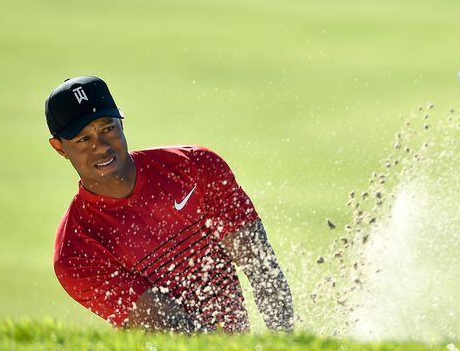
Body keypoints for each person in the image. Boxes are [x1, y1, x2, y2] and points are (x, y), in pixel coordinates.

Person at [45, 76, 294, 333]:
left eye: (107, 128)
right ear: (59, 148)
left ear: (121, 121)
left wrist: (284, 339)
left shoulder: (195, 165)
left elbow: (262, 268)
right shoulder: (75, 250)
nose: (101, 147)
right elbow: (173, 328)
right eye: (83, 140)